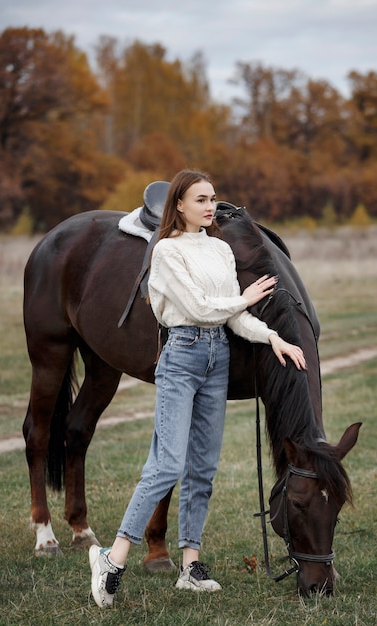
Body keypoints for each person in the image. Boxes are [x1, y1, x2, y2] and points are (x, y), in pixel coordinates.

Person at [89, 169, 306, 608]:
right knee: (166, 465)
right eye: (200, 199)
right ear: (180, 206)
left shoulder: (221, 249)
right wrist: (245, 299)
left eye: (213, 198)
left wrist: (272, 337)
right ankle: (111, 559)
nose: (210, 206)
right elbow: (200, 308)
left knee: (203, 468)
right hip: (183, 356)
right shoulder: (166, 251)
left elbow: (231, 319)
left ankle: (191, 566)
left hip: (217, 357)